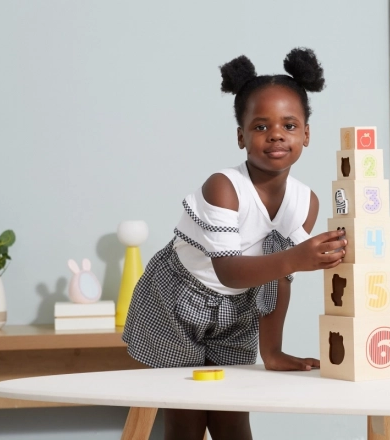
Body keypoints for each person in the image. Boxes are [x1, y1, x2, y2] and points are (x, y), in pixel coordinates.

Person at [123, 47, 347, 440]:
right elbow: (228, 269)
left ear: (307, 134)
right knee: (186, 414)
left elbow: (277, 278)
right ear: (241, 136)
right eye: (261, 127)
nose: (276, 134)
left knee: (231, 415)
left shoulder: (304, 201)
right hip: (178, 300)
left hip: (239, 309)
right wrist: (296, 258)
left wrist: (272, 352)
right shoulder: (223, 188)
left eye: (289, 125)